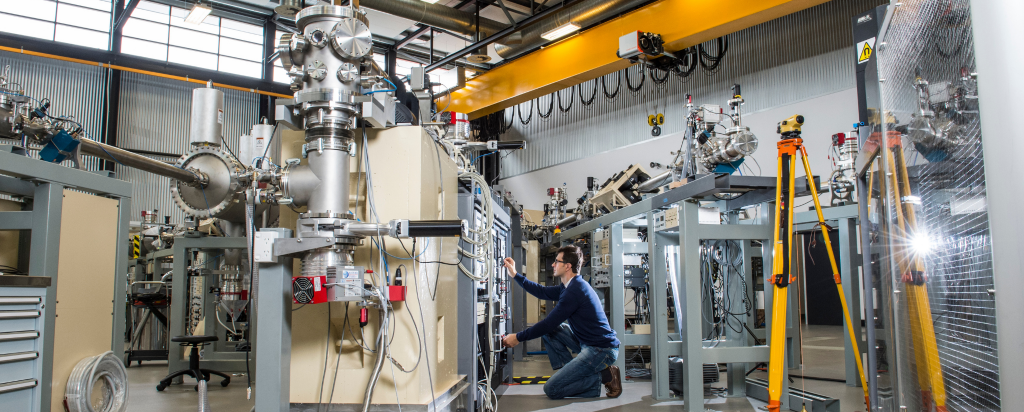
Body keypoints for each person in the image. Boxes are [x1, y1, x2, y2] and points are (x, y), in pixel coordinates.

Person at [501, 245, 622, 399]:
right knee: (551, 332)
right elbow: (542, 292)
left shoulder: (574, 291)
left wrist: (517, 338)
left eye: (556, 261)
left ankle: (604, 376)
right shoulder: (569, 286)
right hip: (587, 343)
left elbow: (547, 324)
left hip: (601, 350)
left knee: (552, 389)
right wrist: (515, 275)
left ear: (567, 266)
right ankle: (572, 371)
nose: (553, 264)